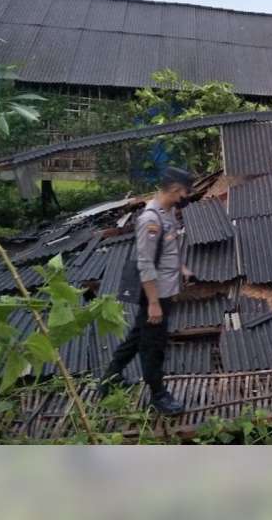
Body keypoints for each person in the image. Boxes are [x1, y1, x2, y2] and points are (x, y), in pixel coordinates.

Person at [98, 166, 195, 415]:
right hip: (156, 295)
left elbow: (167, 250)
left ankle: (110, 378)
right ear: (175, 190)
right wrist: (153, 302)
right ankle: (158, 396)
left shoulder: (167, 213)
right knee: (153, 345)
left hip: (163, 291)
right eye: (185, 192)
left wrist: (181, 269)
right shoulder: (150, 220)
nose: (186, 197)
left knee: (138, 336)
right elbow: (145, 263)